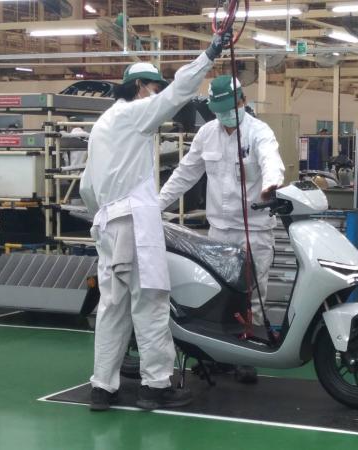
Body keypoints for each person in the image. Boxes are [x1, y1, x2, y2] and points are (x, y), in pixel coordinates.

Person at [79, 28, 232, 412]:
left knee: (112, 307)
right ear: (139, 87)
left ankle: (103, 387)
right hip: (133, 222)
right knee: (150, 304)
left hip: (107, 225)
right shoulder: (133, 114)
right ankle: (156, 385)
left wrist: (107, 213)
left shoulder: (101, 127)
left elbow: (85, 188)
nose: (155, 93)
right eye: (152, 86)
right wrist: (209, 53)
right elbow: (177, 93)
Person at [159, 75, 285, 330]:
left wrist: (270, 185)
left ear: (243, 101)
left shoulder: (259, 132)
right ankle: (222, 353)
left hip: (254, 232)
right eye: (220, 111)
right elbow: (185, 174)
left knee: (254, 295)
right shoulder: (206, 134)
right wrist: (156, 205)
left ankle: (251, 348)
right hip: (218, 233)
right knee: (219, 294)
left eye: (230, 109)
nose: (226, 115)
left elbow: (271, 161)